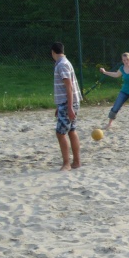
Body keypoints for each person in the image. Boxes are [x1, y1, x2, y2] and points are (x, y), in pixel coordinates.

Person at [50, 42, 82, 172]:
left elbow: (68, 86)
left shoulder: (62, 65)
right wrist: (61, 105)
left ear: (53, 52)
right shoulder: (65, 62)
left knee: (60, 133)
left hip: (68, 103)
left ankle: (67, 163)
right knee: (71, 130)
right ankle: (76, 162)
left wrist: (68, 107)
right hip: (67, 102)